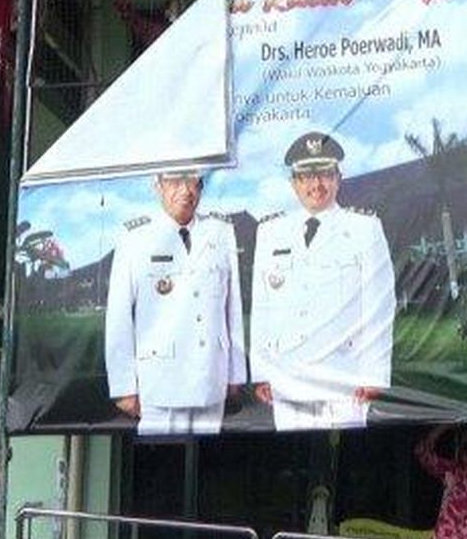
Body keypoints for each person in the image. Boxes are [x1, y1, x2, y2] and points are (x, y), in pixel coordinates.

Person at [250, 131, 396, 430]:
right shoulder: (270, 232)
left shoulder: (364, 229)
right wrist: (261, 371)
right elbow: (263, 306)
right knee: (294, 459)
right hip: (287, 375)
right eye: (306, 177)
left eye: (325, 175)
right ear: (294, 183)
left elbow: (380, 305)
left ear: (338, 178)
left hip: (344, 375)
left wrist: (375, 374)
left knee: (343, 459)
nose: (316, 185)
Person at [104, 170, 247, 435]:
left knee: (209, 460)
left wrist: (235, 374)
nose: (186, 190)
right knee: (160, 463)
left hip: (211, 375)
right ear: (157, 186)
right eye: (175, 181)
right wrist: (124, 387)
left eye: (193, 181)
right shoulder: (136, 237)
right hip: (160, 381)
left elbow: (232, 308)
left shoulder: (221, 232)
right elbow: (119, 316)